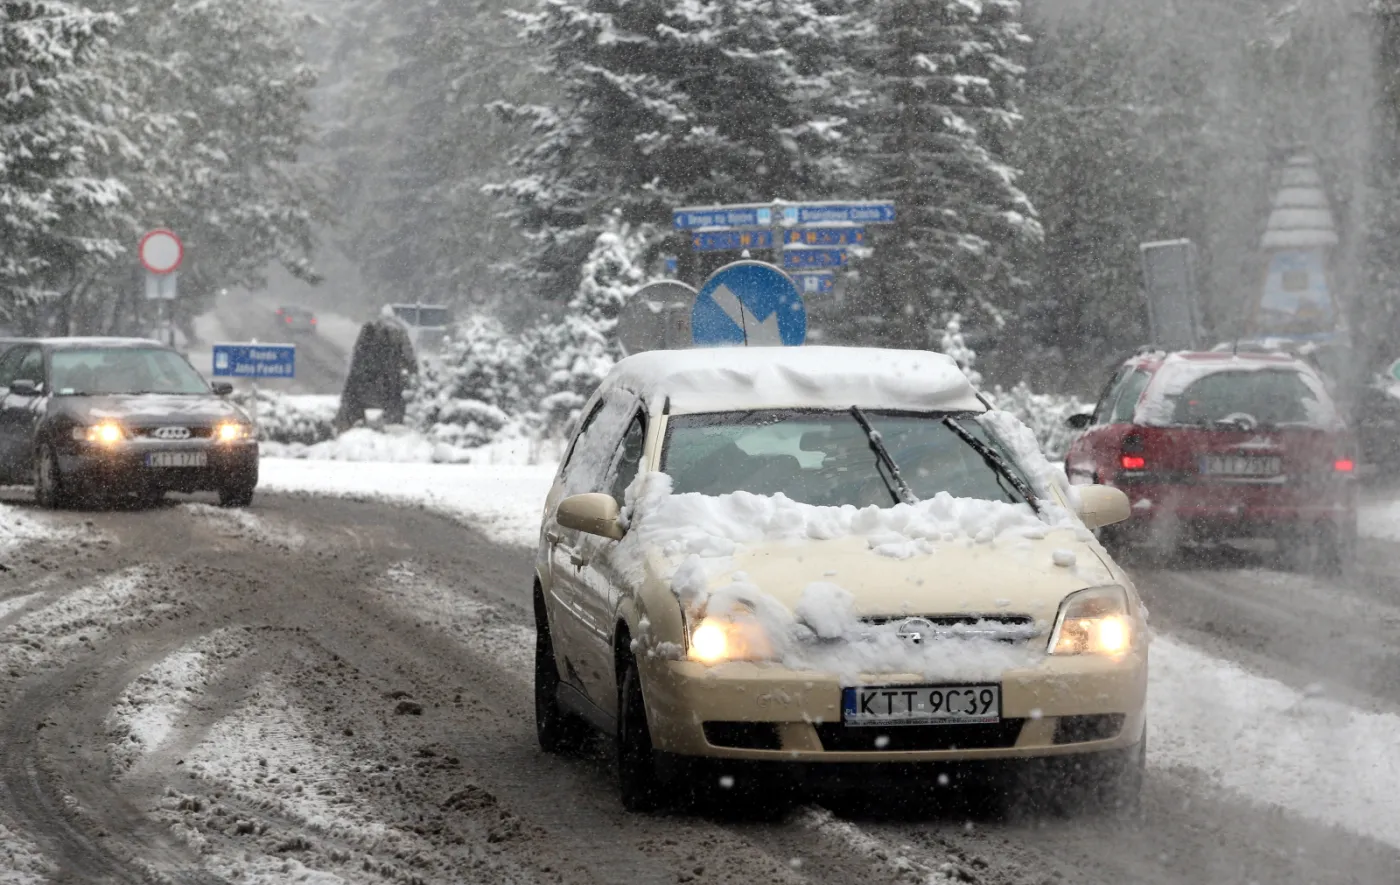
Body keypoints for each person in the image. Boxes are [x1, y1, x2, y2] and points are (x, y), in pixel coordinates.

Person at [336, 306, 418, 431]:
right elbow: (410, 360)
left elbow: (357, 358)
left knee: (354, 418)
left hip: (363, 387)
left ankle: (350, 431)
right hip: (389, 387)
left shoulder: (368, 332)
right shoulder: (400, 333)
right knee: (392, 421)